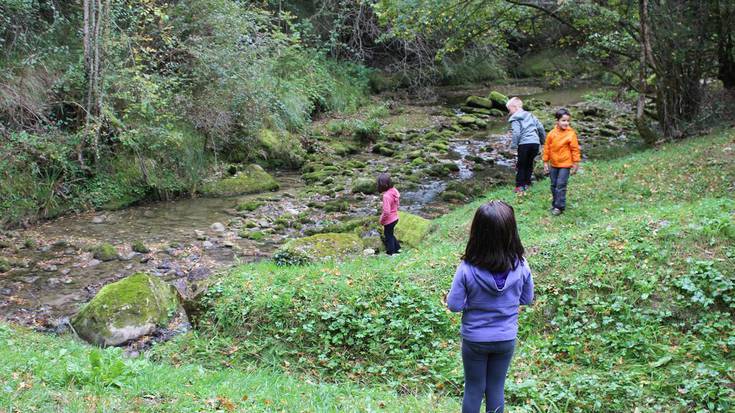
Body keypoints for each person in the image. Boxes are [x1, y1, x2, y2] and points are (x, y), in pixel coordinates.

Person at [446, 201, 534, 413]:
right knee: (496, 388)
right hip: (505, 338)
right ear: (511, 233)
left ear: (477, 233)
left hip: (475, 339)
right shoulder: (521, 265)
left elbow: (454, 305)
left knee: (474, 389)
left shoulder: (466, 269)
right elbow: (527, 298)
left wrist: (473, 302)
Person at [542, 108, 581, 216]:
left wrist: (576, 163)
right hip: (553, 164)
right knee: (553, 185)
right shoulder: (551, 134)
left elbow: (575, 149)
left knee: (561, 185)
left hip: (565, 164)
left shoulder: (571, 134)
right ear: (557, 121)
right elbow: (547, 148)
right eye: (563, 120)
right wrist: (545, 162)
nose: (566, 123)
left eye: (568, 121)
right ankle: (555, 204)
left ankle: (559, 207)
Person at [507, 97, 546, 194]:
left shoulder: (515, 118)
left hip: (524, 144)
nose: (509, 113)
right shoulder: (531, 116)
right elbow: (540, 128)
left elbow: (516, 133)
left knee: (521, 165)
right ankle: (527, 184)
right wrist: (542, 142)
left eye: (509, 110)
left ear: (515, 107)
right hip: (535, 143)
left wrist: (513, 147)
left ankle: (520, 186)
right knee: (529, 163)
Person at [377, 173, 401, 255]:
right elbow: (396, 202)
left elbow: (386, 211)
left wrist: (382, 220)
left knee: (388, 236)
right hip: (395, 217)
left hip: (389, 220)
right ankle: (398, 248)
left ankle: (391, 253)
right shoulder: (394, 190)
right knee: (390, 233)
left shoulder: (386, 196)